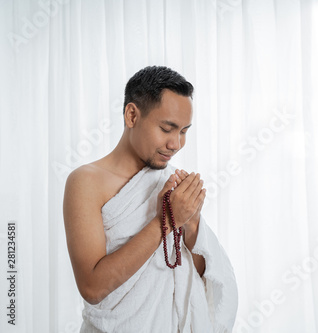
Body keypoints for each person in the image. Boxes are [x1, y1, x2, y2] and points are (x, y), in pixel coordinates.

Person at [63, 66, 238, 332]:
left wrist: (190, 225)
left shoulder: (171, 183)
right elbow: (93, 288)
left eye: (184, 131)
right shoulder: (86, 181)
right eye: (167, 128)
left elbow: (208, 279)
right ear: (132, 115)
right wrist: (167, 220)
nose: (176, 144)